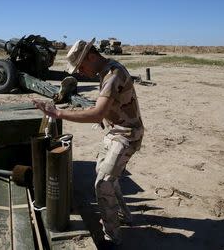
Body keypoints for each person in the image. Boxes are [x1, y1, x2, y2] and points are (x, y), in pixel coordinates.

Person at [33, 38, 144, 246]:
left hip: (127, 135)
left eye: (81, 66)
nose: (80, 72)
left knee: (103, 183)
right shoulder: (105, 71)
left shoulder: (113, 74)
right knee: (105, 172)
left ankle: (112, 237)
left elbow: (96, 114)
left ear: (92, 56)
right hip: (115, 132)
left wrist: (58, 113)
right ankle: (125, 215)